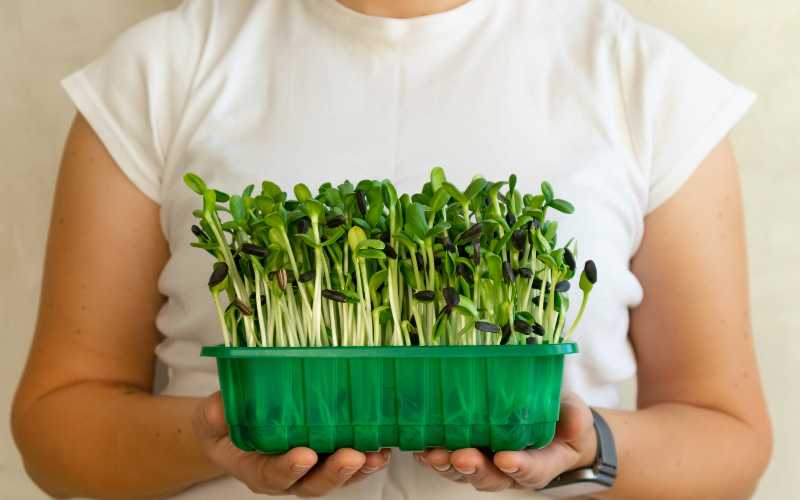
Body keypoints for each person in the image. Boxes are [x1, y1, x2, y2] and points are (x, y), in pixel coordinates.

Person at [12, 0, 772, 498]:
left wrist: (590, 444)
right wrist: (216, 438)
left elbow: (730, 440)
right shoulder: (163, 70)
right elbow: (57, 427)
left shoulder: (646, 81)